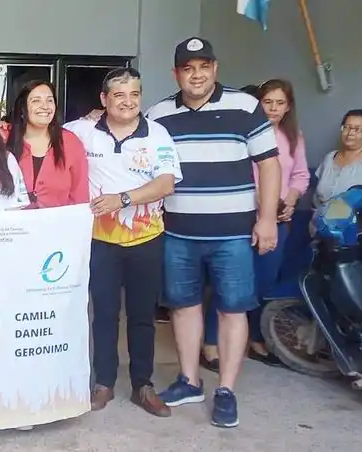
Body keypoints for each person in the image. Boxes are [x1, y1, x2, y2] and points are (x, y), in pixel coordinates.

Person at [146, 37, 281, 429]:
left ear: (215, 69)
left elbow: (269, 166)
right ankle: (189, 381)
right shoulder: (159, 115)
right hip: (177, 233)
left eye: (204, 66)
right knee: (183, 306)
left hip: (233, 234)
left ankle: (225, 389)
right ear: (176, 74)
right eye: (188, 68)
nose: (197, 75)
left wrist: (267, 217)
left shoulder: (244, 107)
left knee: (232, 308)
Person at [63, 67, 181, 417]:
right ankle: (104, 383)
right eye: (119, 95)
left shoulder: (157, 133)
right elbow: (42, 139)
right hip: (100, 240)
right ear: (104, 100)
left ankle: (143, 385)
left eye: (134, 95)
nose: (128, 102)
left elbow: (166, 184)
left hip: (146, 238)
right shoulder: (82, 131)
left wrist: (123, 199)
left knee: (143, 315)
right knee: (103, 315)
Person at [202, 79, 310, 371]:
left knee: (264, 283)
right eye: (268, 102)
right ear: (257, 103)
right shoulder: (241, 133)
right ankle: (211, 342)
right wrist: (263, 204)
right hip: (241, 219)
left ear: (288, 107)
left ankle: (255, 338)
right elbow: (236, 176)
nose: (273, 109)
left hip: (279, 221)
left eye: (280, 103)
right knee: (228, 284)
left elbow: (300, 175)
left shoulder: (293, 137)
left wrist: (290, 200)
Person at [3, 80, 89, 208]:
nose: (45, 106)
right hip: (10, 226)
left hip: (57, 225)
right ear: (22, 108)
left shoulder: (70, 142)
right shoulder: (3, 138)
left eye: (50, 100)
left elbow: (80, 197)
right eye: (36, 100)